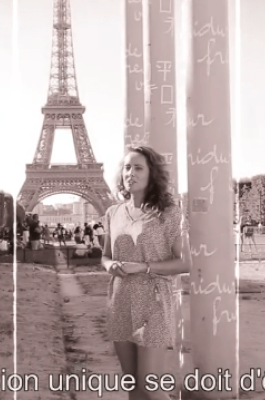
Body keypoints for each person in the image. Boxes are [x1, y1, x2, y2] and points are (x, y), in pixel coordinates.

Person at [101, 145, 189, 400]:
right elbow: (105, 256)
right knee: (133, 386)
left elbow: (185, 262)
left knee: (151, 385)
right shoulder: (112, 213)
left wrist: (144, 267)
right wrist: (110, 266)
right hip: (120, 300)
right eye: (127, 167)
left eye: (138, 167)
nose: (131, 173)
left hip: (154, 301)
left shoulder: (169, 213)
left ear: (152, 174)